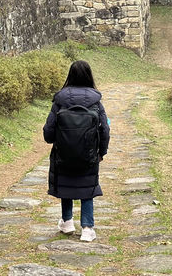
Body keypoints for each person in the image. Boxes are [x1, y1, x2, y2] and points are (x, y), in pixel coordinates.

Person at [43, 60, 110, 242]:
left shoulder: (60, 100)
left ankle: (67, 222)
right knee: (87, 187)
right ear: (89, 76)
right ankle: (87, 228)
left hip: (62, 154)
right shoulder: (96, 102)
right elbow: (104, 129)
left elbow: (49, 132)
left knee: (66, 184)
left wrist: (59, 140)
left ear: (70, 76)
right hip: (89, 155)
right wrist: (101, 152)